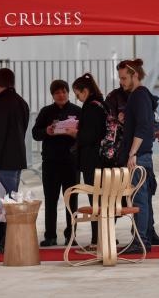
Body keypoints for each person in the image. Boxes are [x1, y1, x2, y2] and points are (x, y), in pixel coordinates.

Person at [0, 67, 30, 254]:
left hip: (3, 161)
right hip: (17, 158)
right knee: (11, 200)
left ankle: (5, 240)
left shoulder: (1, 104)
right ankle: (7, 238)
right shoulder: (21, 102)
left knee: (4, 204)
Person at [32, 79, 81, 247]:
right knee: (51, 199)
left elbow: (85, 134)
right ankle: (50, 235)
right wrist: (47, 131)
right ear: (52, 95)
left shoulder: (77, 111)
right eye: (57, 93)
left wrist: (74, 132)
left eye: (64, 92)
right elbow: (35, 133)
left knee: (71, 199)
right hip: (51, 162)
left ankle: (71, 234)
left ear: (68, 93)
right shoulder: (46, 112)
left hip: (71, 162)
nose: (61, 95)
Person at [116, 58, 158, 254]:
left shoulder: (138, 96)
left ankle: (141, 239)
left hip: (138, 156)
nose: (121, 82)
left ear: (135, 75)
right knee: (142, 199)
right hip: (141, 155)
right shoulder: (141, 96)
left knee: (139, 199)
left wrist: (132, 152)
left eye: (124, 78)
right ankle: (143, 237)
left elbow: (142, 127)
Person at [68, 73, 107, 248]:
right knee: (101, 200)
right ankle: (104, 236)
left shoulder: (91, 107)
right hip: (103, 158)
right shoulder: (102, 103)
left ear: (86, 91)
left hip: (92, 160)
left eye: (78, 94)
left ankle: (97, 239)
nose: (77, 99)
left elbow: (89, 135)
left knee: (95, 201)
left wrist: (75, 133)